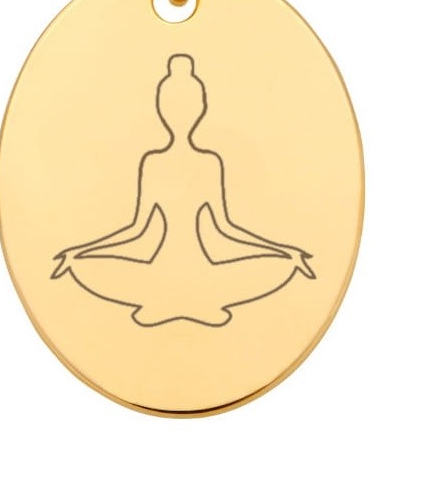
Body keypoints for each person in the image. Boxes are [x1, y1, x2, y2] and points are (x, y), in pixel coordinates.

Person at [51, 54, 315, 326]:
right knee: (99, 271)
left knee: (270, 268)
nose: (180, 114)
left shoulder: (207, 163)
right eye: (174, 106)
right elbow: (137, 231)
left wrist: (281, 251)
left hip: (202, 276)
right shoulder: (155, 163)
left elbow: (225, 229)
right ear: (161, 108)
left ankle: (179, 300)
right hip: (162, 275)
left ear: (200, 109)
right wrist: (82, 252)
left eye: (187, 106)